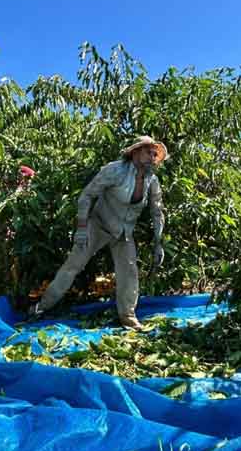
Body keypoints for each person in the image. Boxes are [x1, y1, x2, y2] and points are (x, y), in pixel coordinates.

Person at [30, 136, 168, 330]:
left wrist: (158, 242)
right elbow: (87, 196)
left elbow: (157, 211)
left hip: (124, 232)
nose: (152, 158)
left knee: (129, 273)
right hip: (99, 225)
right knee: (73, 265)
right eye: (148, 152)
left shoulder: (151, 181)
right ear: (135, 152)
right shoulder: (115, 170)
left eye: (155, 155)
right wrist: (82, 228)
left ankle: (128, 316)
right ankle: (41, 308)